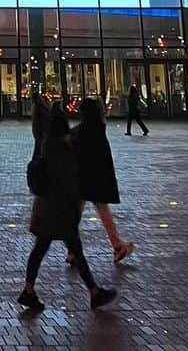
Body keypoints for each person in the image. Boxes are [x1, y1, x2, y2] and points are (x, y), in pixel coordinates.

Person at [18, 105, 115, 313]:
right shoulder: (65, 156)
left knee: (40, 250)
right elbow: (70, 186)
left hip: (44, 211)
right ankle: (94, 292)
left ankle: (29, 290)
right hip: (61, 213)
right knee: (76, 252)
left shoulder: (46, 149)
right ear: (64, 134)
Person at [72, 98, 134, 263]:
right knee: (102, 212)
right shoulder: (99, 130)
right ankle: (116, 245)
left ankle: (72, 250)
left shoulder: (80, 132)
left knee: (75, 214)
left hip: (81, 179)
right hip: (97, 180)